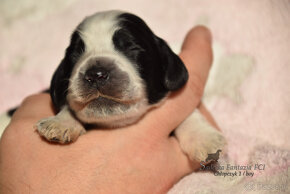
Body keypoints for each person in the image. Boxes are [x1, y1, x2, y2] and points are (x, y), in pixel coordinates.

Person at [0, 26, 218, 193]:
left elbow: (177, 106)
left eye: (129, 48)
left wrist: (192, 126)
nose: (97, 74)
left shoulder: (163, 87)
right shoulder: (57, 97)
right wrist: (67, 116)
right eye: (79, 55)